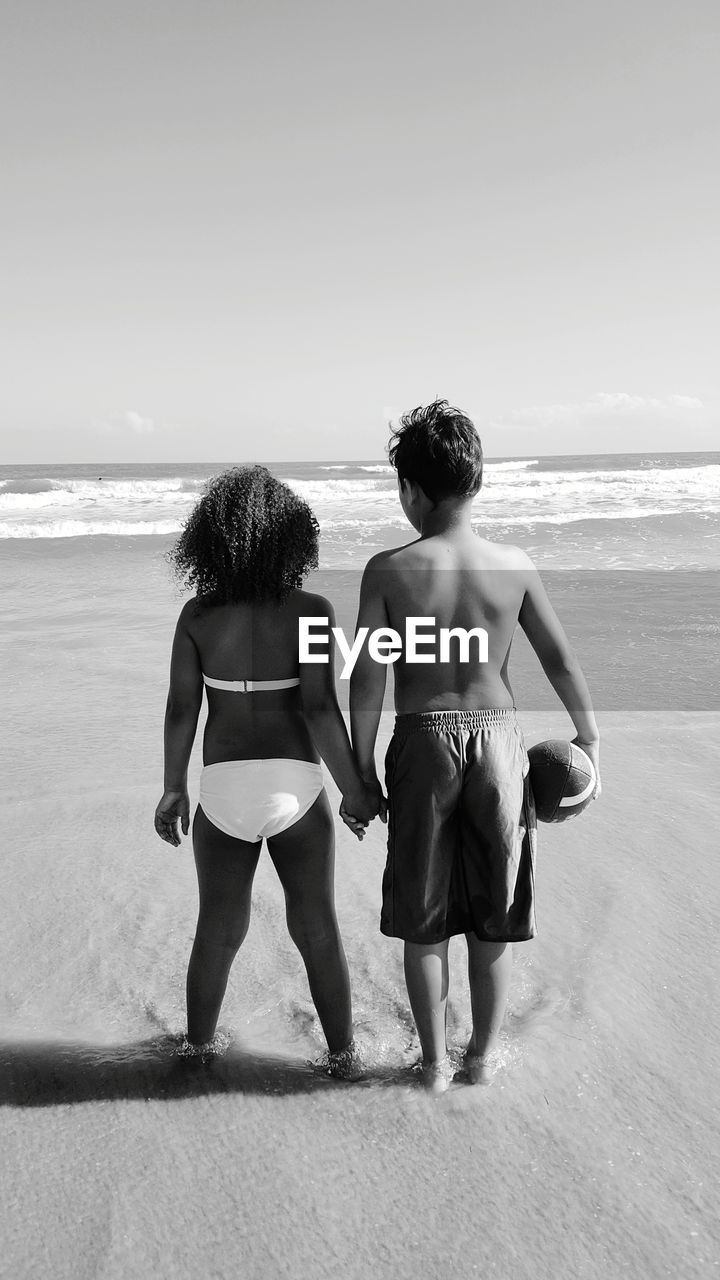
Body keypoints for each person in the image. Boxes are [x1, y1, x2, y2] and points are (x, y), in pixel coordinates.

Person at [347, 401, 600, 1093]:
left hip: (422, 742)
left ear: (410, 490)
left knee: (423, 923)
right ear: (478, 480)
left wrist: (360, 776)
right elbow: (561, 659)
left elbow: (367, 679)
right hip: (498, 743)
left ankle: (430, 1065)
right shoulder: (513, 564)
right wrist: (589, 736)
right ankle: (482, 1060)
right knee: (495, 916)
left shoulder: (389, 570)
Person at [154, 465, 379, 1075]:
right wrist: (356, 790)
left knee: (218, 930)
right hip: (296, 789)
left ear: (210, 542)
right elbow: (317, 707)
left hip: (223, 787)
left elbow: (181, 709)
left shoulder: (197, 617)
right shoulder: (310, 608)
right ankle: (342, 1055)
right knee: (317, 930)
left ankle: (197, 1048)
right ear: (290, 539)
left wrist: (174, 788)